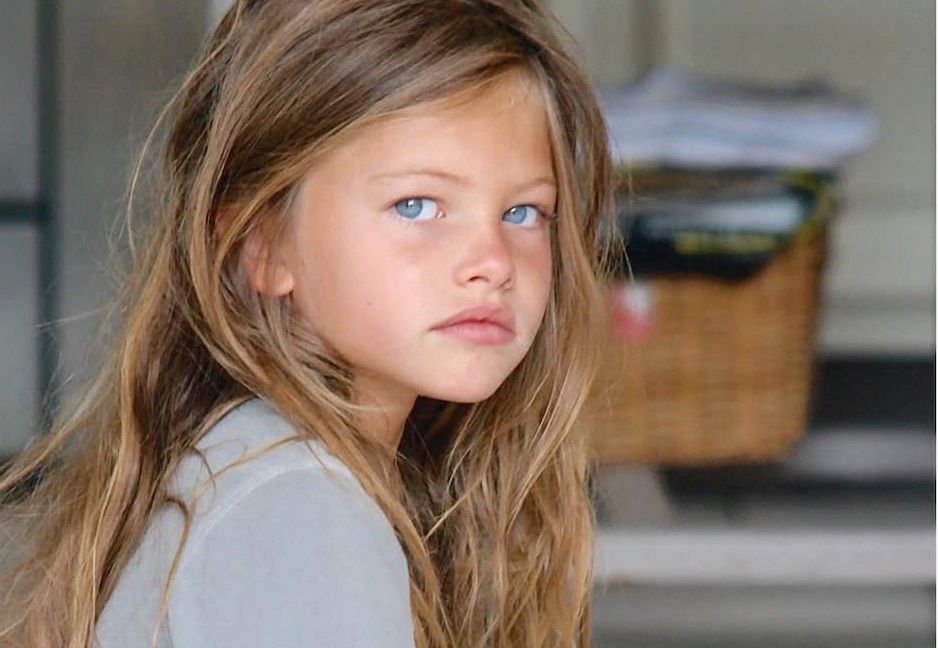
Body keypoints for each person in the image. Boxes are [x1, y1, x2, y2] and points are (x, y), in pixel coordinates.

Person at [0, 0, 616, 646]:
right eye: (416, 205)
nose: (493, 262)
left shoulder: (263, 464)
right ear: (262, 244)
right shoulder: (298, 504)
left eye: (524, 213)